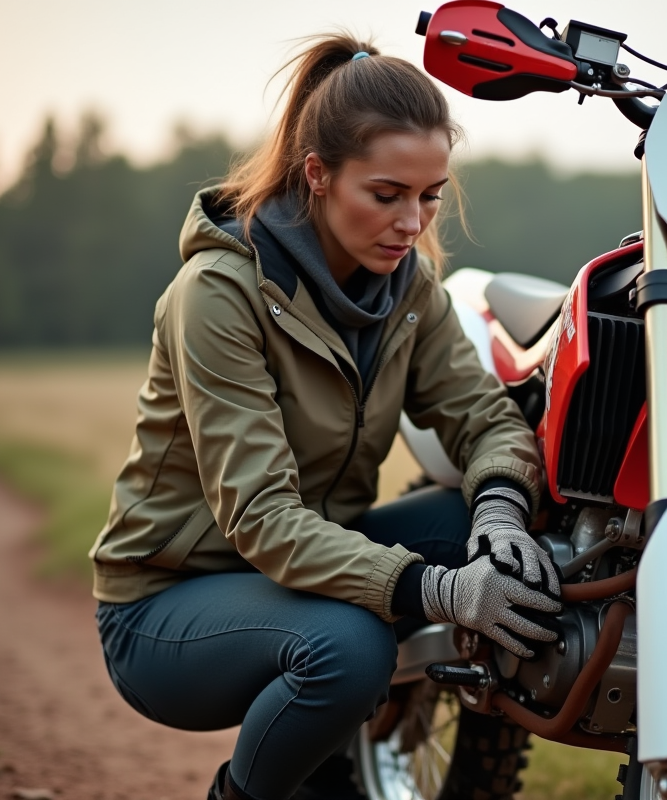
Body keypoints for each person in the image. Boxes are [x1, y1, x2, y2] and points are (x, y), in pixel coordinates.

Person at [89, 34, 562, 800]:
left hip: (312, 577)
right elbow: (266, 520)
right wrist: (439, 592)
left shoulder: (410, 291)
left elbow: (486, 418)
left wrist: (503, 515)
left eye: (430, 194)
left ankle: (344, 766)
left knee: (476, 522)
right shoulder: (216, 293)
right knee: (350, 646)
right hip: (166, 610)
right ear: (317, 174)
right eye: (387, 194)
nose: (413, 222)